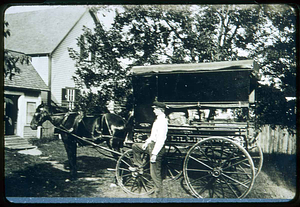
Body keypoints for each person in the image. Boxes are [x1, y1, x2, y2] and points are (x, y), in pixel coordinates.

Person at [131, 101, 168, 198]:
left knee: (154, 175)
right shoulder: (158, 120)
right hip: (151, 145)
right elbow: (152, 136)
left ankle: (159, 196)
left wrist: (154, 154)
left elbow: (161, 139)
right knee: (135, 146)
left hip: (157, 148)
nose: (153, 110)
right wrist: (146, 143)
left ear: (160, 110)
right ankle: (139, 166)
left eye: (155, 109)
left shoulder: (163, 121)